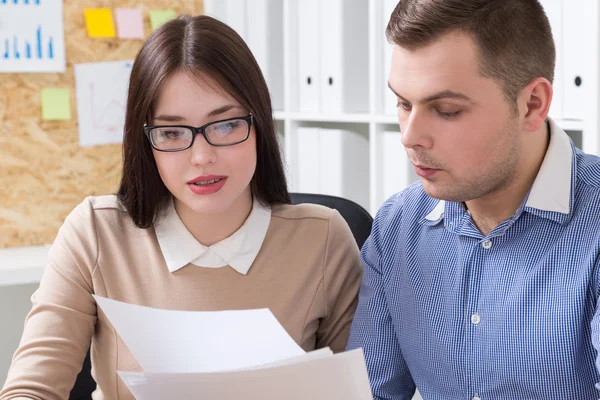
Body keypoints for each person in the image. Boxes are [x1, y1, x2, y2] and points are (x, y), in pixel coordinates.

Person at [1, 15, 362, 400]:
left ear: (259, 124)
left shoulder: (323, 240)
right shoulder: (95, 233)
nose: (201, 156)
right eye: (172, 132)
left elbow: (356, 390)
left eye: (225, 125)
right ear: (145, 140)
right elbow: (29, 391)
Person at [346, 0, 600, 399]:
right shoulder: (397, 224)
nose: (410, 137)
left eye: (446, 110)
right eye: (403, 103)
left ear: (532, 104)